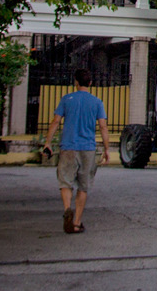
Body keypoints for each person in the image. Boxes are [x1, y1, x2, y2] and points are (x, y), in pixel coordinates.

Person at [41, 68, 110, 234]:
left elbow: (56, 121)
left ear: (76, 82)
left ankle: (67, 209)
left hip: (68, 147)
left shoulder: (66, 99)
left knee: (65, 181)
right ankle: (77, 222)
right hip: (88, 148)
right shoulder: (97, 102)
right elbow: (103, 126)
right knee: (83, 186)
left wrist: (48, 142)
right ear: (90, 83)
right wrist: (106, 149)